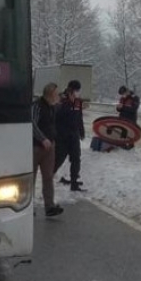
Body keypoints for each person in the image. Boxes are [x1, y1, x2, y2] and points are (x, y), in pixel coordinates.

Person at [33, 82, 63, 217]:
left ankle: (49, 206)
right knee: (30, 178)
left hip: (50, 147)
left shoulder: (53, 107)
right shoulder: (37, 106)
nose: (58, 97)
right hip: (35, 147)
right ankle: (28, 206)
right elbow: (31, 124)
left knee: (48, 177)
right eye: (56, 94)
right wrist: (42, 138)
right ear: (50, 94)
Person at [54, 79, 86, 191]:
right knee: (59, 158)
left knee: (76, 158)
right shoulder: (60, 99)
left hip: (74, 134)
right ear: (70, 90)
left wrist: (81, 130)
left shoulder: (78, 101)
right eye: (75, 90)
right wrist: (68, 103)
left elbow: (79, 116)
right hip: (62, 135)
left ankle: (74, 183)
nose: (77, 93)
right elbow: (57, 115)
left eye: (78, 91)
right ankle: (48, 178)